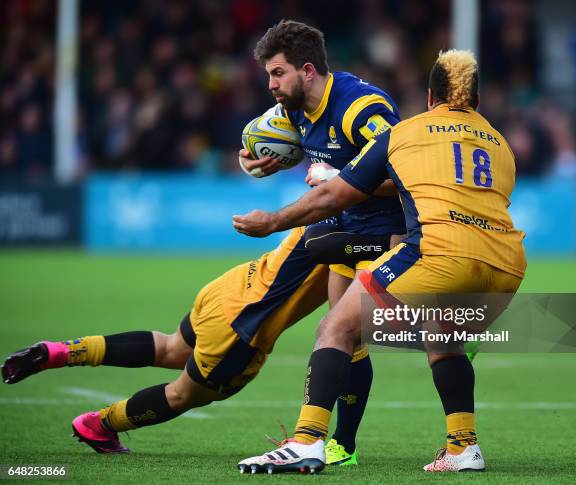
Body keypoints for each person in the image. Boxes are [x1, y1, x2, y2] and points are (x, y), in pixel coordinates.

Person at [233, 49, 526, 474]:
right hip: (506, 265)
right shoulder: (500, 144)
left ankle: (307, 440)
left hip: (439, 253)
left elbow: (335, 196)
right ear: (477, 102)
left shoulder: (406, 132)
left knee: (337, 327)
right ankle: (463, 447)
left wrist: (274, 220)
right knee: (442, 338)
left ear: (429, 97)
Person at [2, 228, 370, 453]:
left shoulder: (332, 193)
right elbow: (339, 312)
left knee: (171, 347)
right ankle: (99, 425)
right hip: (243, 327)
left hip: (231, 286)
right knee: (183, 394)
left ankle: (61, 352)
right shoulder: (356, 229)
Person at [239, 20, 407, 465]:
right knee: (344, 333)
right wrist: (265, 160)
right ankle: (342, 446)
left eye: (278, 73)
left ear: (307, 70)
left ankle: (321, 440)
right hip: (351, 222)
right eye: (269, 75)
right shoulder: (296, 107)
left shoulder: (360, 108)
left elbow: (405, 172)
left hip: (390, 230)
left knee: (335, 323)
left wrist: (344, 180)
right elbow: (284, 143)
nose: (271, 85)